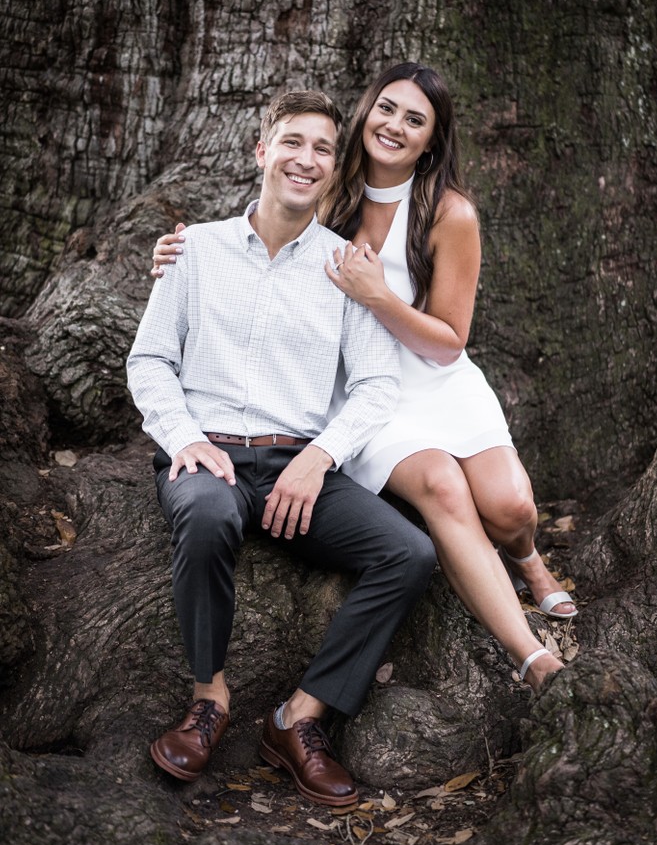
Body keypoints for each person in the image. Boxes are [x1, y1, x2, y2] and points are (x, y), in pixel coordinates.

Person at [151, 65, 576, 690]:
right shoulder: (330, 189)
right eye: (386, 109)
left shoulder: (449, 212)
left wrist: (378, 297)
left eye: (415, 119)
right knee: (443, 488)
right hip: (356, 385)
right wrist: (180, 251)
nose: (395, 126)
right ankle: (531, 654)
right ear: (365, 113)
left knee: (511, 507)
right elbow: (264, 233)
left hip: (433, 370)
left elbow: (451, 340)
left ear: (432, 140)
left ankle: (528, 560)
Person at [127, 89, 437, 805]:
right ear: (261, 151)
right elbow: (148, 362)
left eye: (322, 149)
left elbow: (374, 384)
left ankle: (299, 717)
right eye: (292, 142)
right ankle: (209, 697)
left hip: (300, 461)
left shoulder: (345, 267)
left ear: (333, 169)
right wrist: (185, 438)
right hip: (209, 453)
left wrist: (319, 454)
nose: (306, 159)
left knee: (409, 552)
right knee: (205, 513)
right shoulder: (194, 249)